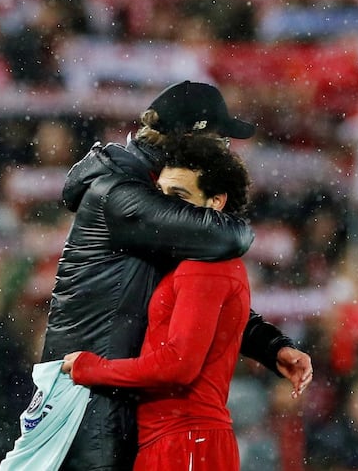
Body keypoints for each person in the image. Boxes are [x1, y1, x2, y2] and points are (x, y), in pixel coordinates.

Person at [38, 81, 312, 471]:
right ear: (190, 138)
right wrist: (222, 206)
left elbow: (197, 300)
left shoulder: (149, 203)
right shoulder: (119, 194)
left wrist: (269, 346)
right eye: (219, 141)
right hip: (89, 394)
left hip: (113, 386)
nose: (225, 154)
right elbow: (228, 233)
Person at [63, 134, 255, 470]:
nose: (166, 206)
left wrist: (93, 368)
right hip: (177, 439)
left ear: (216, 202)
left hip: (185, 439)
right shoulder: (194, 261)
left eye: (179, 196)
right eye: (161, 195)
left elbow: (179, 364)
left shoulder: (204, 266)